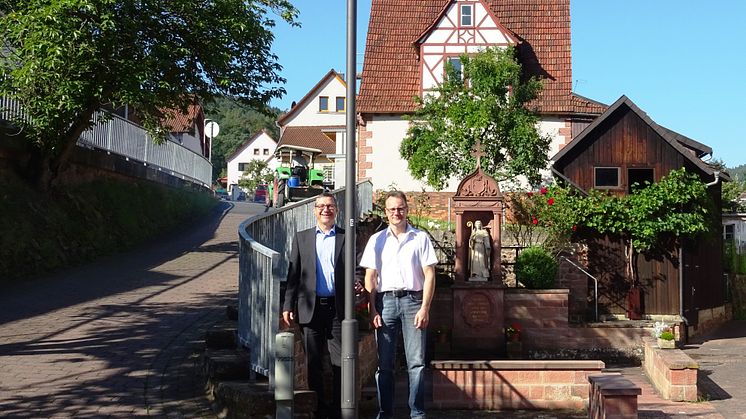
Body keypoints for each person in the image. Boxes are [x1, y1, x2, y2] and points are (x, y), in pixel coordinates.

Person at [360, 190, 438, 419]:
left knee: (417, 363)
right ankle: (385, 413)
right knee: (384, 364)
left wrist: (425, 307)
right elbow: (370, 277)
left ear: (407, 209)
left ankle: (417, 413)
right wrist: (372, 308)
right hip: (386, 303)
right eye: (392, 209)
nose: (397, 212)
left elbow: (429, 274)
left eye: (400, 208)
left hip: (413, 301)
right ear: (386, 212)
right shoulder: (377, 240)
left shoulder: (420, 238)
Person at [281, 192, 345, 419]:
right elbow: (294, 275)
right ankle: (319, 409)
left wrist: (358, 285)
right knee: (314, 362)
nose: (325, 210)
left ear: (336, 210)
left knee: (340, 362)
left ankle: (340, 409)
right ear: (314, 210)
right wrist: (288, 304)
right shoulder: (302, 238)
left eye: (329, 206)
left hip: (339, 310)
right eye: (321, 206)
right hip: (311, 307)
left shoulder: (346, 237)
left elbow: (356, 270)